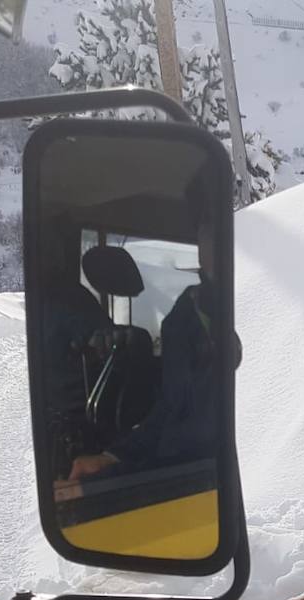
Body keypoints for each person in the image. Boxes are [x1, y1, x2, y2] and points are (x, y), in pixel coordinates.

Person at [67, 178, 234, 482]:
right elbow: (169, 415)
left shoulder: (239, 314)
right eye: (206, 226)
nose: (215, 239)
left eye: (223, 224)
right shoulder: (184, 316)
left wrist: (120, 477)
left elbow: (200, 443)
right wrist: (112, 458)